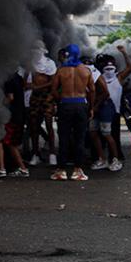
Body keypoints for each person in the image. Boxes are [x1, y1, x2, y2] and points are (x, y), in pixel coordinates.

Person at [51, 44, 94, 181]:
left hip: (65, 104)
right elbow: (92, 90)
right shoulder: (86, 71)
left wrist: (60, 101)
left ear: (67, 55)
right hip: (81, 104)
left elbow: (53, 90)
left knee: (63, 138)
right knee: (79, 139)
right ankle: (77, 170)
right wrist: (91, 107)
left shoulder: (61, 71)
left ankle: (61, 170)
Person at [0, 71, 29, 178]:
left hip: (11, 116)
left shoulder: (8, 79)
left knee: (0, 140)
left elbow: (10, 97)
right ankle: (21, 169)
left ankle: (1, 169)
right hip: (18, 114)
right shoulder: (18, 78)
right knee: (11, 143)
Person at [28, 46, 58, 166]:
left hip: (47, 97)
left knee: (49, 125)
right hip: (35, 98)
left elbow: (53, 81)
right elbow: (27, 79)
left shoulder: (49, 63)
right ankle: (35, 154)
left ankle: (52, 153)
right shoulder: (30, 63)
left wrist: (37, 87)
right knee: (34, 126)